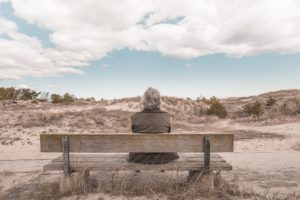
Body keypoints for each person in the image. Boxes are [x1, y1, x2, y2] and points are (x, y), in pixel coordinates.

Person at [127, 87, 179, 164]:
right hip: (163, 156)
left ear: (144, 100)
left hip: (139, 157)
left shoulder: (135, 117)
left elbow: (134, 133)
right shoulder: (166, 116)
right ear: (159, 100)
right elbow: (168, 134)